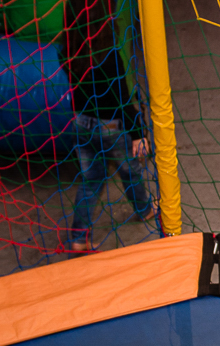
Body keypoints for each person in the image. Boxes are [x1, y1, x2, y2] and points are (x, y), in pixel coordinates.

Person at [62, 0, 156, 253]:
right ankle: (144, 209)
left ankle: (78, 237)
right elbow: (123, 102)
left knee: (91, 181)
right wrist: (139, 134)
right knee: (131, 170)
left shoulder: (68, 51)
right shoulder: (110, 56)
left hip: (81, 123)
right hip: (111, 128)